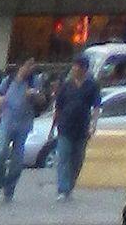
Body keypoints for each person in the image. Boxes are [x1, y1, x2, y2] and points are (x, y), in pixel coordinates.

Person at [49, 61, 97, 199]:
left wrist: (93, 124)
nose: (74, 69)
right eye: (74, 67)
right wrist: (53, 128)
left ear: (84, 69)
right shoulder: (66, 86)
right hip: (65, 127)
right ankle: (62, 189)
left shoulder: (92, 86)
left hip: (82, 128)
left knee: (77, 159)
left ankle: (70, 185)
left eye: (77, 67)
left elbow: (96, 106)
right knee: (63, 158)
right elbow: (58, 107)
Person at [0, 72, 33, 204]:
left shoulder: (34, 80)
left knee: (17, 160)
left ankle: (9, 190)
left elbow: (43, 100)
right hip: (7, 122)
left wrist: (34, 95)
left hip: (24, 124)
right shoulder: (8, 80)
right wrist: (5, 99)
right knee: (0, 153)